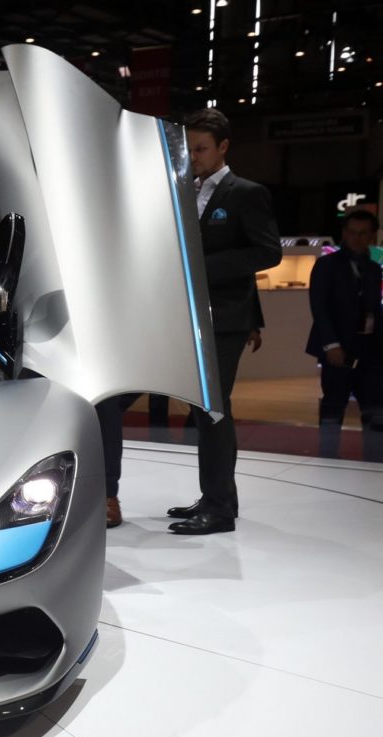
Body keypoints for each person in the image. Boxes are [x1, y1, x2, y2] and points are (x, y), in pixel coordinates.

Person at [167, 108, 281, 535]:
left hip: (226, 318)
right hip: (192, 317)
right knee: (206, 411)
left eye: (201, 149)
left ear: (223, 147)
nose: (193, 156)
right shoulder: (184, 192)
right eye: (189, 149)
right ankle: (216, 498)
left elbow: (268, 252)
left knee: (213, 410)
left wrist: (203, 267)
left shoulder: (246, 193)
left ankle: (218, 509)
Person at [305, 209, 382, 461]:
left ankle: (375, 461)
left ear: (372, 236)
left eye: (363, 233)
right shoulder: (327, 265)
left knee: (375, 406)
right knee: (334, 404)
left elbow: (373, 309)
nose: (356, 238)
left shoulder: (373, 268)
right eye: (352, 232)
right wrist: (331, 345)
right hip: (337, 349)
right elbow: (319, 306)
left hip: (370, 349)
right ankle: (328, 459)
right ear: (344, 233)